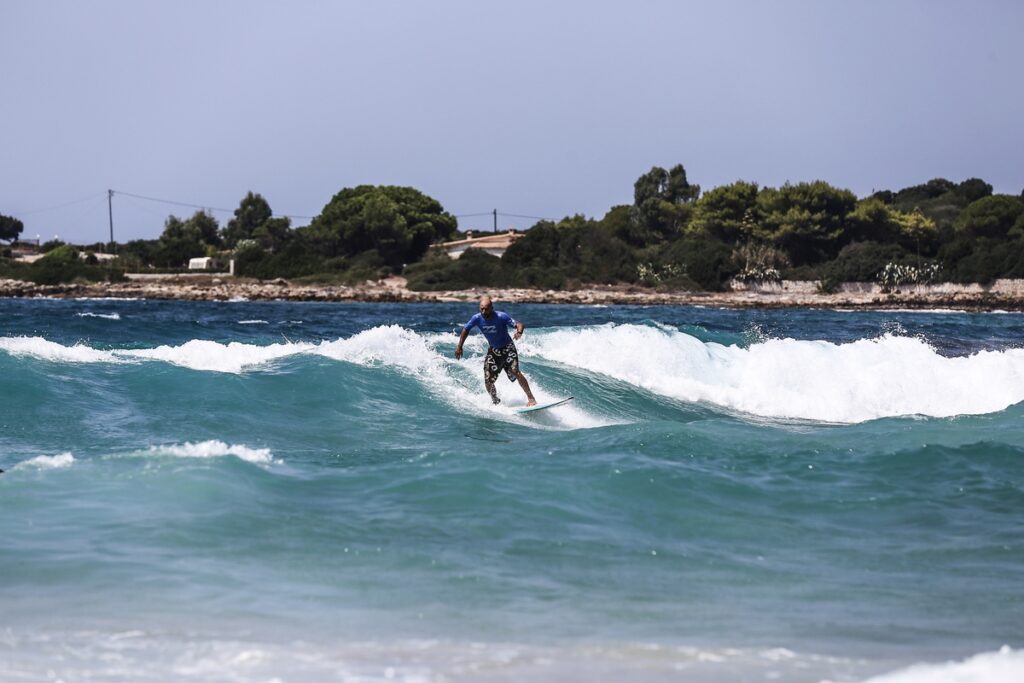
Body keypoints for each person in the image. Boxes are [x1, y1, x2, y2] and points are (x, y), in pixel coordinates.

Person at [455, 296, 537, 406]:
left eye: (486, 309)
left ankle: (531, 398)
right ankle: (495, 401)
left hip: (508, 348)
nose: (484, 311)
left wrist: (519, 332)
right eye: (482, 309)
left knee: (515, 371)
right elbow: (466, 329)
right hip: (494, 351)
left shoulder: (501, 316)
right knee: (488, 379)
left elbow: (519, 324)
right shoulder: (476, 318)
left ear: (492, 308)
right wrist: (460, 346)